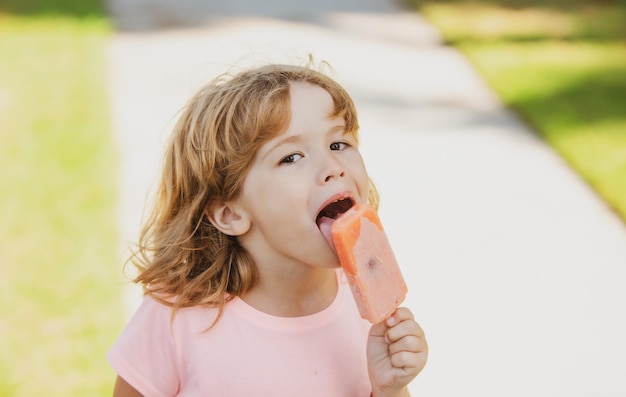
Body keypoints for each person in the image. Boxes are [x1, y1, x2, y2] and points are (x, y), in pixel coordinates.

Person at [108, 62, 428, 397]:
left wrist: (389, 388)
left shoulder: (366, 311)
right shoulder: (176, 320)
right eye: (291, 157)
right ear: (230, 213)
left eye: (338, 144)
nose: (332, 167)